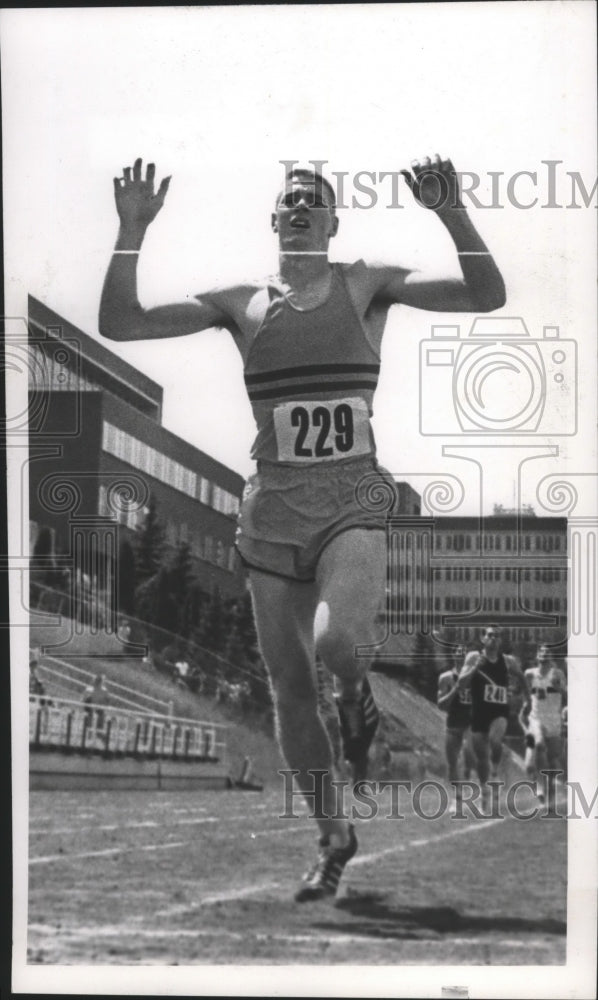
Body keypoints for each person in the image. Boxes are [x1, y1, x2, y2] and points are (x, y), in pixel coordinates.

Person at [99, 155, 505, 901]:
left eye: (312, 201)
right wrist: (131, 232)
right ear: (275, 219)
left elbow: (486, 294)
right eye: (288, 200)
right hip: (272, 512)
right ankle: (333, 836)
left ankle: (356, 695)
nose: (298, 209)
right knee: (290, 689)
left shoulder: (364, 285)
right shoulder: (242, 302)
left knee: (338, 644)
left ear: (332, 221)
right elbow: (120, 323)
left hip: (352, 500)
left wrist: (451, 212)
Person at [458, 627, 528, 810]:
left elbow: (522, 677)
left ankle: (495, 772)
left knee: (495, 739)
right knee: (481, 757)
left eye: (497, 636)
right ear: (483, 638)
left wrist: (528, 700)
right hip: (479, 713)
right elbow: (461, 684)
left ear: (500, 641)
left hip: (499, 711)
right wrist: (474, 668)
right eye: (490, 635)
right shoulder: (473, 657)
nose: (494, 639)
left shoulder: (507, 661)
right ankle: (484, 790)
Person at [521, 644, 567, 812]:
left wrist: (559, 686)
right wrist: (526, 703)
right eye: (541, 651)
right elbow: (525, 691)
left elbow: (566, 693)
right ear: (537, 655)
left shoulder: (557, 674)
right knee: (537, 747)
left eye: (547, 652)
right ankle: (540, 789)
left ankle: (547, 789)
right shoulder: (529, 673)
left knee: (552, 762)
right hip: (536, 719)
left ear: (551, 657)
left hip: (553, 720)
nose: (544, 654)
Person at [437, 645, 475, 802]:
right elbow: (440, 704)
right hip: (453, 723)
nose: (460, 655)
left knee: (467, 752)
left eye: (463, 652)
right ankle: (458, 796)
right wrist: (455, 691)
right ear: (453, 655)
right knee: (452, 762)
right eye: (457, 652)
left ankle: (468, 778)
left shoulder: (475, 676)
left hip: (470, 723)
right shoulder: (445, 678)